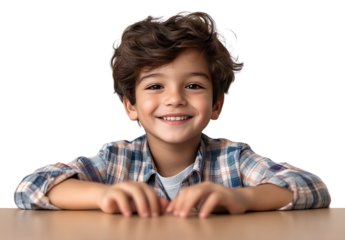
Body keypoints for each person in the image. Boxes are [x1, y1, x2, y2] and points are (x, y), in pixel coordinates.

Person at [12, 10, 332, 219]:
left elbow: (313, 187)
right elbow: (29, 188)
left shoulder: (234, 158)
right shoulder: (114, 158)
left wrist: (243, 199)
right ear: (130, 106)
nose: (175, 99)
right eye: (155, 87)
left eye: (193, 85)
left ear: (217, 105)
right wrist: (103, 195)